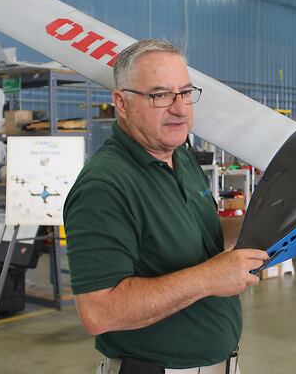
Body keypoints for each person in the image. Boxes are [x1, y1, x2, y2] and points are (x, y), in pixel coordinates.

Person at [63, 39, 268, 374]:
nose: (180, 109)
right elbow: (99, 311)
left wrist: (260, 225)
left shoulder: (181, 159)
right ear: (122, 103)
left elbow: (198, 236)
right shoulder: (105, 185)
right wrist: (209, 278)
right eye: (160, 95)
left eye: (185, 93)